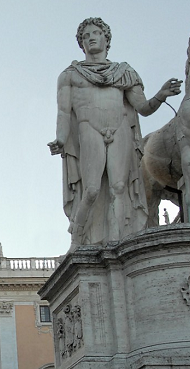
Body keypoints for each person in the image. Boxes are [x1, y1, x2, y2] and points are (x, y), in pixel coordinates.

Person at [48, 17, 181, 246]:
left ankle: (118, 242)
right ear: (81, 44)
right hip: (88, 127)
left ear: (106, 39)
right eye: (86, 36)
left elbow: (143, 108)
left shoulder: (124, 73)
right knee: (90, 190)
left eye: (95, 33)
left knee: (119, 188)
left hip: (120, 128)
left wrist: (161, 94)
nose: (91, 38)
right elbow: (63, 111)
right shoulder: (70, 75)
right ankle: (78, 239)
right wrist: (60, 138)